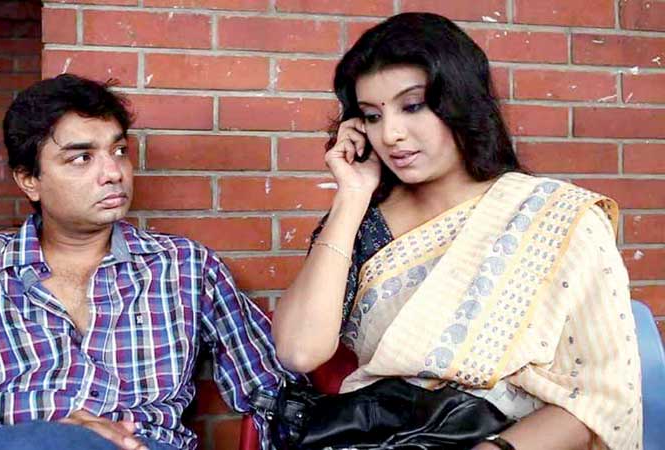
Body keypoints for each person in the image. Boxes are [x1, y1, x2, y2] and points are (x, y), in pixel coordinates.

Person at [272, 12, 642, 450]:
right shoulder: (363, 224)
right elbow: (299, 351)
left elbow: (600, 398)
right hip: (376, 436)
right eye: (372, 116)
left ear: (461, 102)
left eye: (413, 106)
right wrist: (351, 197)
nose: (391, 134)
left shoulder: (557, 217)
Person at [0, 74, 289, 450]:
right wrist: (45, 440)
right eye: (82, 158)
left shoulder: (185, 266)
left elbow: (275, 391)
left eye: (119, 151)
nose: (113, 173)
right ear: (29, 180)